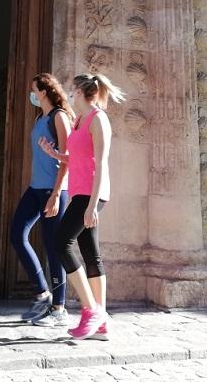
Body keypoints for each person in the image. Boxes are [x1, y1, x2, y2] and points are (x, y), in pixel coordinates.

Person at [39, 72, 125, 341]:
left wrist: (91, 207)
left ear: (81, 91)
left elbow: (101, 164)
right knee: (90, 253)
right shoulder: (78, 121)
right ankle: (101, 325)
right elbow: (77, 156)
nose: (69, 93)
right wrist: (55, 154)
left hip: (92, 194)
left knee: (61, 241)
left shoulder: (99, 120)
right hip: (80, 193)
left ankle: (91, 310)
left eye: (72, 90)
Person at [10, 73, 73, 326]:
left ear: (44, 92)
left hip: (52, 190)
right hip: (35, 188)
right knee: (17, 234)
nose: (32, 95)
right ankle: (42, 292)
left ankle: (59, 308)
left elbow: (67, 159)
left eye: (34, 90)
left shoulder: (59, 117)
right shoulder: (40, 117)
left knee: (53, 247)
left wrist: (57, 194)